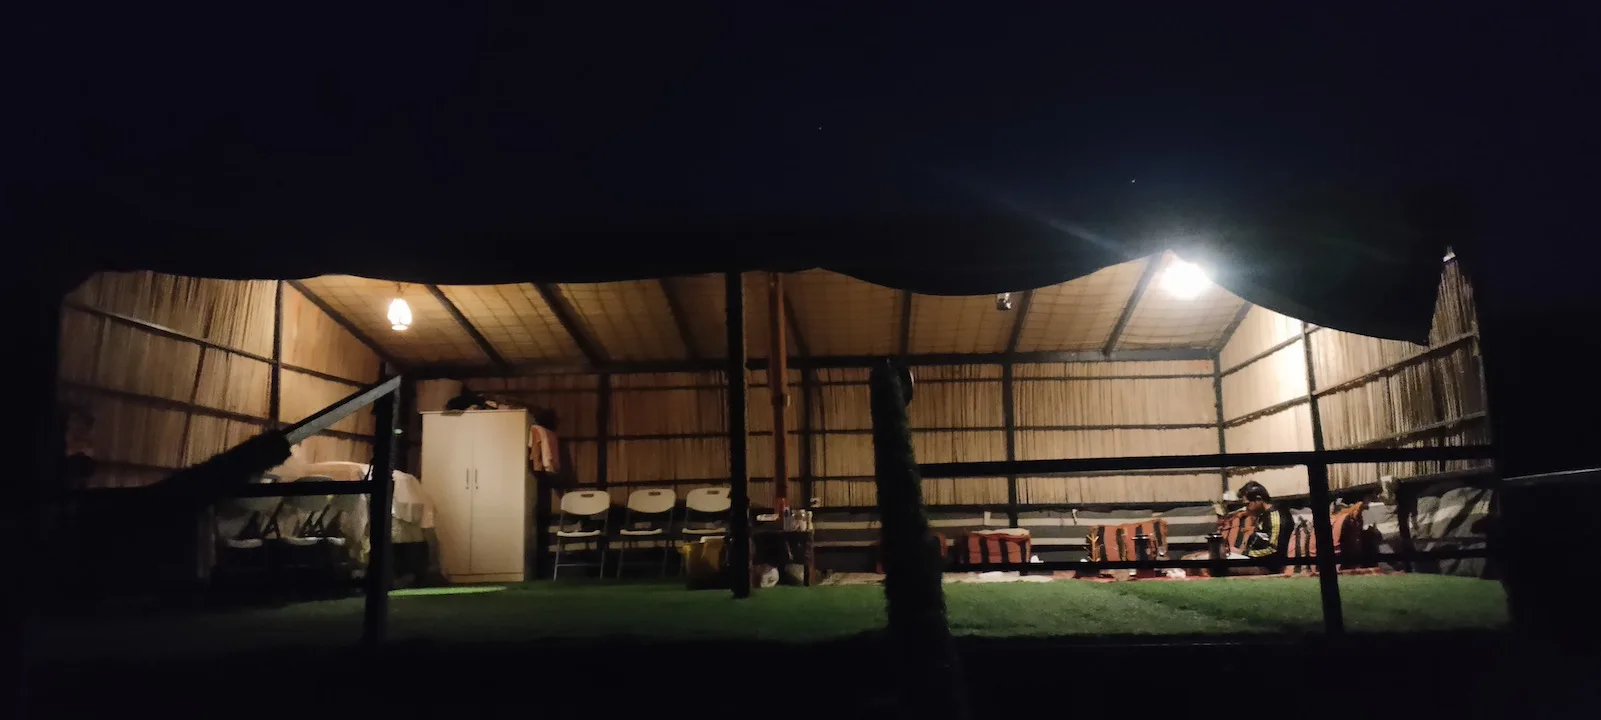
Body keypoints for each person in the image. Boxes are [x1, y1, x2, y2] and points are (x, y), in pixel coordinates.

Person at [1238, 481, 1292, 571]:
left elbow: (1273, 549)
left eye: (1247, 504)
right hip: (1257, 561)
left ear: (1258, 499)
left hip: (1269, 566)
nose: (1246, 509)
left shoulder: (1275, 517)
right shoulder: (1263, 515)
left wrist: (1246, 553)